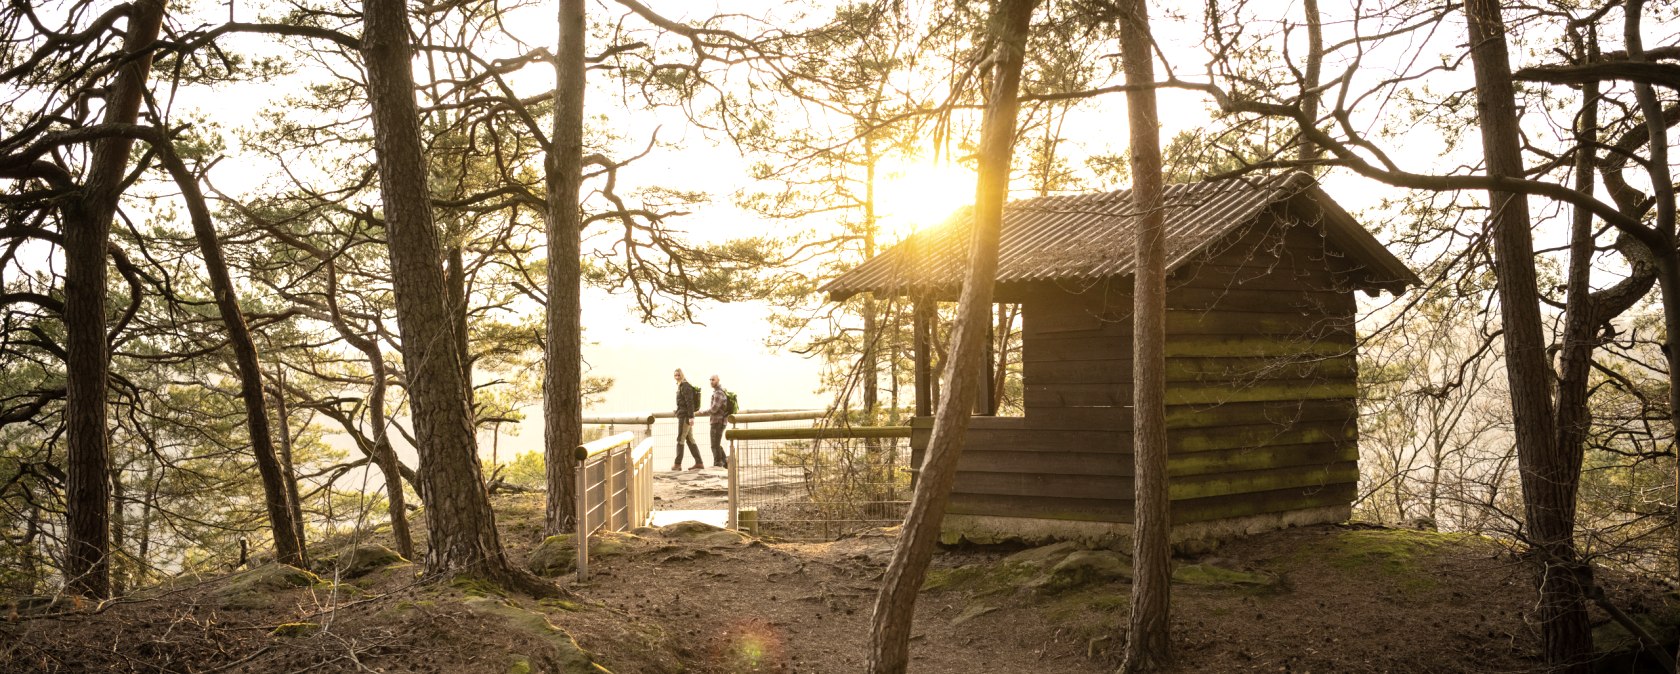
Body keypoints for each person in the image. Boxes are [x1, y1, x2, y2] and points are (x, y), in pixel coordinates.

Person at [672, 369, 703, 471]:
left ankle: (677, 464)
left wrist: (691, 417)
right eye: (675, 375)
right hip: (684, 415)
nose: (677, 377)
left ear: (682, 375)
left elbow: (690, 402)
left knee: (680, 439)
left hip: (685, 417)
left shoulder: (685, 386)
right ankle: (699, 462)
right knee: (690, 440)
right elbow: (683, 403)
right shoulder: (681, 386)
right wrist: (677, 411)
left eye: (678, 375)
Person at [705, 374, 730, 468]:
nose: (711, 382)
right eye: (710, 380)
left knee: (714, 445)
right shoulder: (719, 391)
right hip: (720, 421)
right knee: (717, 444)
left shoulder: (718, 393)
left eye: (713, 380)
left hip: (717, 422)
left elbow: (714, 409)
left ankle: (717, 464)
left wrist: (701, 412)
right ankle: (725, 463)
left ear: (718, 380)